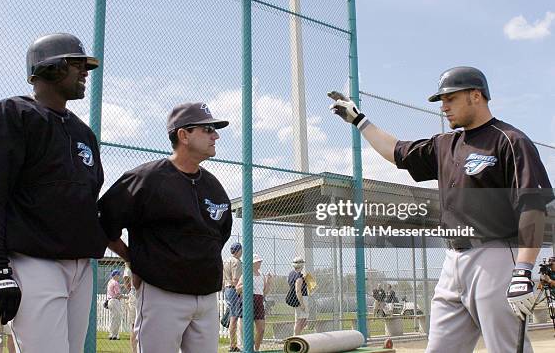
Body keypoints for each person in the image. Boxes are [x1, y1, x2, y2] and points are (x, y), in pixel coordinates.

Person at [328, 66, 554, 353]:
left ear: (476, 96)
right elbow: (396, 152)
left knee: (507, 348)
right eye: (441, 101)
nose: (444, 107)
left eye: (450, 99)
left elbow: (532, 208)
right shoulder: (444, 144)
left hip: (495, 257)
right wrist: (359, 120)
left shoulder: (509, 140)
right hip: (453, 260)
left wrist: (523, 269)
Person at [0, 33, 109, 353]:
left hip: (81, 266)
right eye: (77, 65)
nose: (85, 73)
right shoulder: (8, 113)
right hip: (34, 262)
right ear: (51, 68)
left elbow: (89, 202)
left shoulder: (83, 132)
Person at [98, 102, 233, 353]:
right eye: (207, 129)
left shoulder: (213, 185)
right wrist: (133, 260)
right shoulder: (146, 178)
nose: (216, 135)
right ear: (184, 135)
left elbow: (219, 236)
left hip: (206, 298)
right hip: (162, 294)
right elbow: (105, 223)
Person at [236, 254, 272, 352]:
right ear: (252, 263)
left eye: (260, 261)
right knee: (247, 329)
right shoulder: (246, 274)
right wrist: (245, 285)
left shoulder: (262, 275)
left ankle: (256, 349)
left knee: (261, 328)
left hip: (259, 300)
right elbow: (237, 289)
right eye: (257, 262)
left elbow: (264, 292)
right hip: (248, 300)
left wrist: (268, 282)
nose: (259, 263)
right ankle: (249, 348)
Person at [222, 242, 243, 352]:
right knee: (234, 318)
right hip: (234, 289)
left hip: (227, 288)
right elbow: (236, 279)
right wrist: (240, 291)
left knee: (232, 315)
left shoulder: (225, 260)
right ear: (238, 250)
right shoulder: (237, 262)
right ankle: (233, 345)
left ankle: (233, 344)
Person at [288, 256, 309, 335]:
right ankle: (295, 337)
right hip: (301, 298)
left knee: (302, 320)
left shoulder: (291, 274)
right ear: (301, 265)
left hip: (296, 298)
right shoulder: (299, 277)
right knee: (300, 321)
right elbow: (298, 290)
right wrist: (302, 304)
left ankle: (297, 336)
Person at [123, 263, 138, 353]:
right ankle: (134, 350)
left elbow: (126, 281)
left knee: (134, 325)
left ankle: (135, 350)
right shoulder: (129, 264)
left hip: (135, 293)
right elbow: (126, 280)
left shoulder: (129, 264)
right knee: (134, 325)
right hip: (135, 294)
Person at [107, 269, 125, 340]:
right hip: (115, 301)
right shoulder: (115, 283)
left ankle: (111, 334)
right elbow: (118, 294)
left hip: (110, 301)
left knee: (112, 318)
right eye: (118, 275)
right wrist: (127, 297)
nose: (119, 277)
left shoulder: (110, 282)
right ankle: (115, 335)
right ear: (115, 275)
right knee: (117, 318)